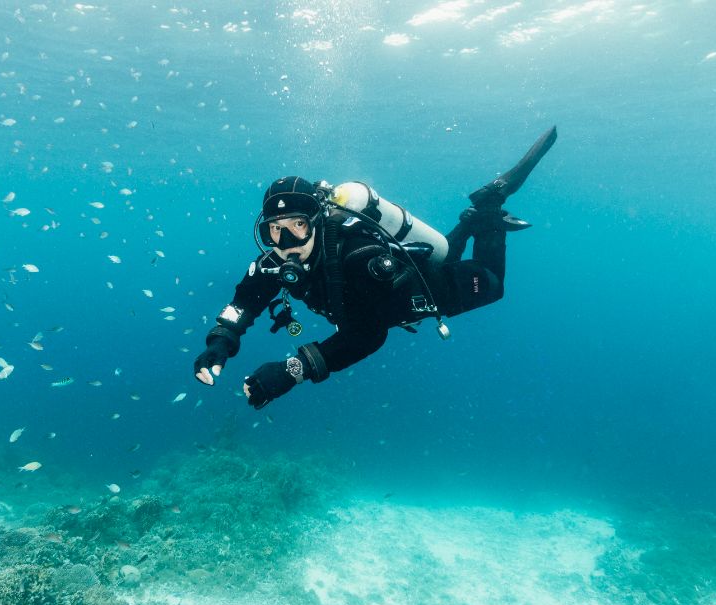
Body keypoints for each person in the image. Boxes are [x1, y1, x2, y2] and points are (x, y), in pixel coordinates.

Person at [194, 127, 557, 409]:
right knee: (445, 253)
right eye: (275, 230)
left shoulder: (357, 257)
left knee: (493, 286)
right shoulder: (274, 261)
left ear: (316, 222)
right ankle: (468, 223)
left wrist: (293, 371)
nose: (286, 242)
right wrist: (221, 340)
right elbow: (244, 302)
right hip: (395, 282)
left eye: (297, 226)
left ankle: (489, 207)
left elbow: (369, 334)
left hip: (430, 291)